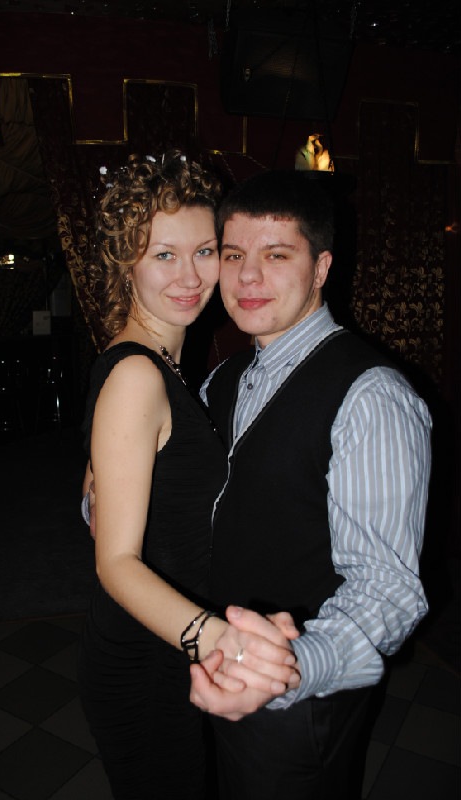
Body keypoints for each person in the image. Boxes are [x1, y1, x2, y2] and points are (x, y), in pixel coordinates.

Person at [189, 169, 432, 800]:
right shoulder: (224, 377)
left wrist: (289, 667)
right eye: (233, 255)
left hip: (300, 701)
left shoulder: (371, 396)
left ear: (320, 268)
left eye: (276, 255)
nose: (247, 277)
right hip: (214, 660)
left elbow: (388, 589)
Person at [77, 151, 300, 800]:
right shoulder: (136, 374)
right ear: (125, 261)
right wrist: (218, 639)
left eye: (204, 252)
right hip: (146, 659)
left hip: (164, 642)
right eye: (163, 255)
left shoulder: (155, 364)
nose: (190, 276)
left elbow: (101, 499)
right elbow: (115, 562)